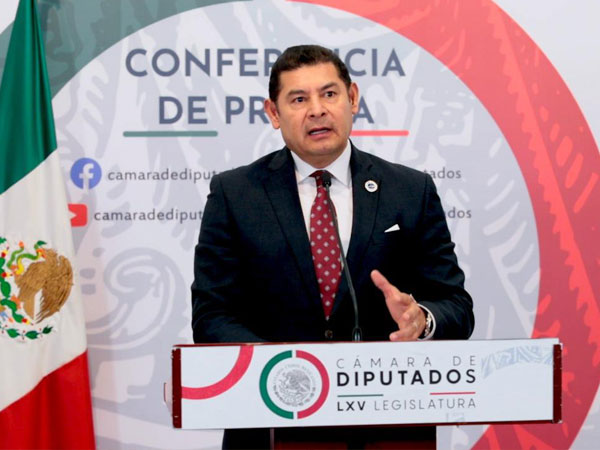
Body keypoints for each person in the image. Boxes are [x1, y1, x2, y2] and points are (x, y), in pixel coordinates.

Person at [192, 44, 474, 449]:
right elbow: (211, 314)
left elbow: (455, 305)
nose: (317, 110)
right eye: (298, 99)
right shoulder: (235, 194)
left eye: (329, 94)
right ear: (273, 113)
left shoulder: (411, 191)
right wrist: (277, 367)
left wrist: (422, 321)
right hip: (271, 424)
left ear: (352, 98)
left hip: (387, 427)